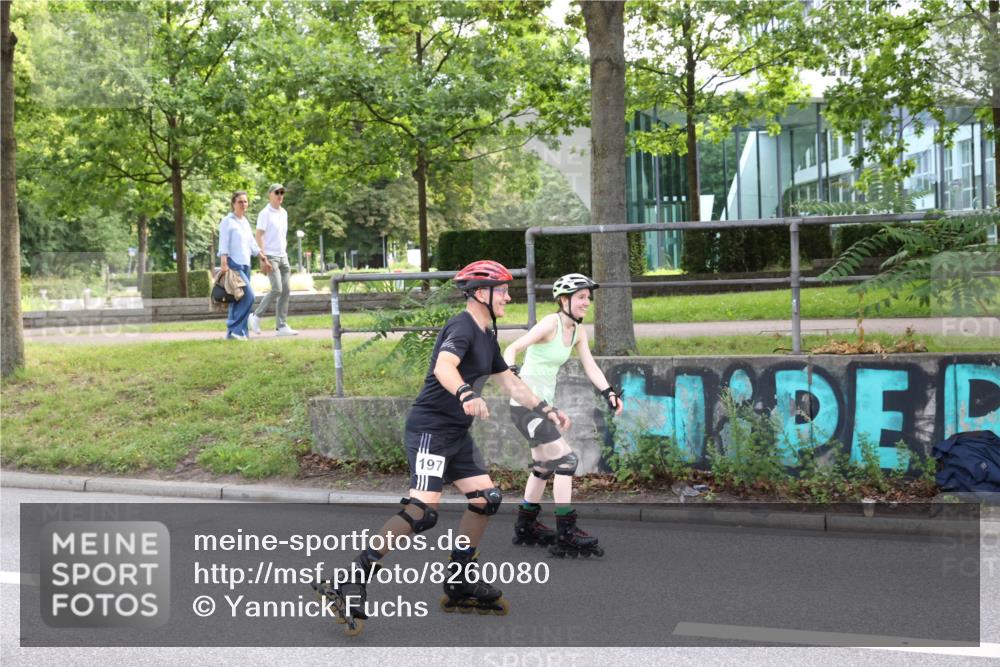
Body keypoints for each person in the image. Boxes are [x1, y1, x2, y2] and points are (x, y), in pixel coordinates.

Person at [314, 260, 569, 635]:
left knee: (486, 498)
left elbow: (511, 384)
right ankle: (350, 579)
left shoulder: (486, 334)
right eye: (502, 290)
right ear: (481, 294)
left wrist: (546, 408)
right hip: (431, 430)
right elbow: (443, 367)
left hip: (456, 435)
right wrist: (465, 391)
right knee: (421, 512)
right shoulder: (461, 326)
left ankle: (460, 579)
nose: (508, 296)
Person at [502, 273, 623, 558]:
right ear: (564, 300)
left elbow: (591, 366)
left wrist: (609, 393)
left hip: (543, 407)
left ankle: (526, 525)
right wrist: (512, 370)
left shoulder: (578, 331)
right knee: (566, 460)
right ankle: (566, 532)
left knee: (544, 465)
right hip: (525, 406)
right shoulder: (550, 323)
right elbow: (512, 348)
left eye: (588, 298)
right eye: (581, 297)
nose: (586, 303)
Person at [217, 191, 270, 340]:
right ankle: (236, 330)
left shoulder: (245, 222)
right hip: (233, 263)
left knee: (237, 299)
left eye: (245, 202)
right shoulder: (228, 221)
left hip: (245, 264)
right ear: (233, 204)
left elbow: (252, 243)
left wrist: (262, 257)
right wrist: (223, 262)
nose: (243, 204)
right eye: (240, 202)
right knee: (249, 297)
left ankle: (234, 334)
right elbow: (224, 242)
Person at [248, 183, 298, 337]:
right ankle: (255, 316)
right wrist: (263, 258)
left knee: (286, 290)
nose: (280, 195)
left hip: (283, 256)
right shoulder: (265, 213)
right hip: (270, 256)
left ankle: (281, 326)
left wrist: (284, 253)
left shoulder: (284, 213)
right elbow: (259, 236)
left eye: (282, 192)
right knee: (277, 289)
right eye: (277, 192)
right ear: (270, 194)